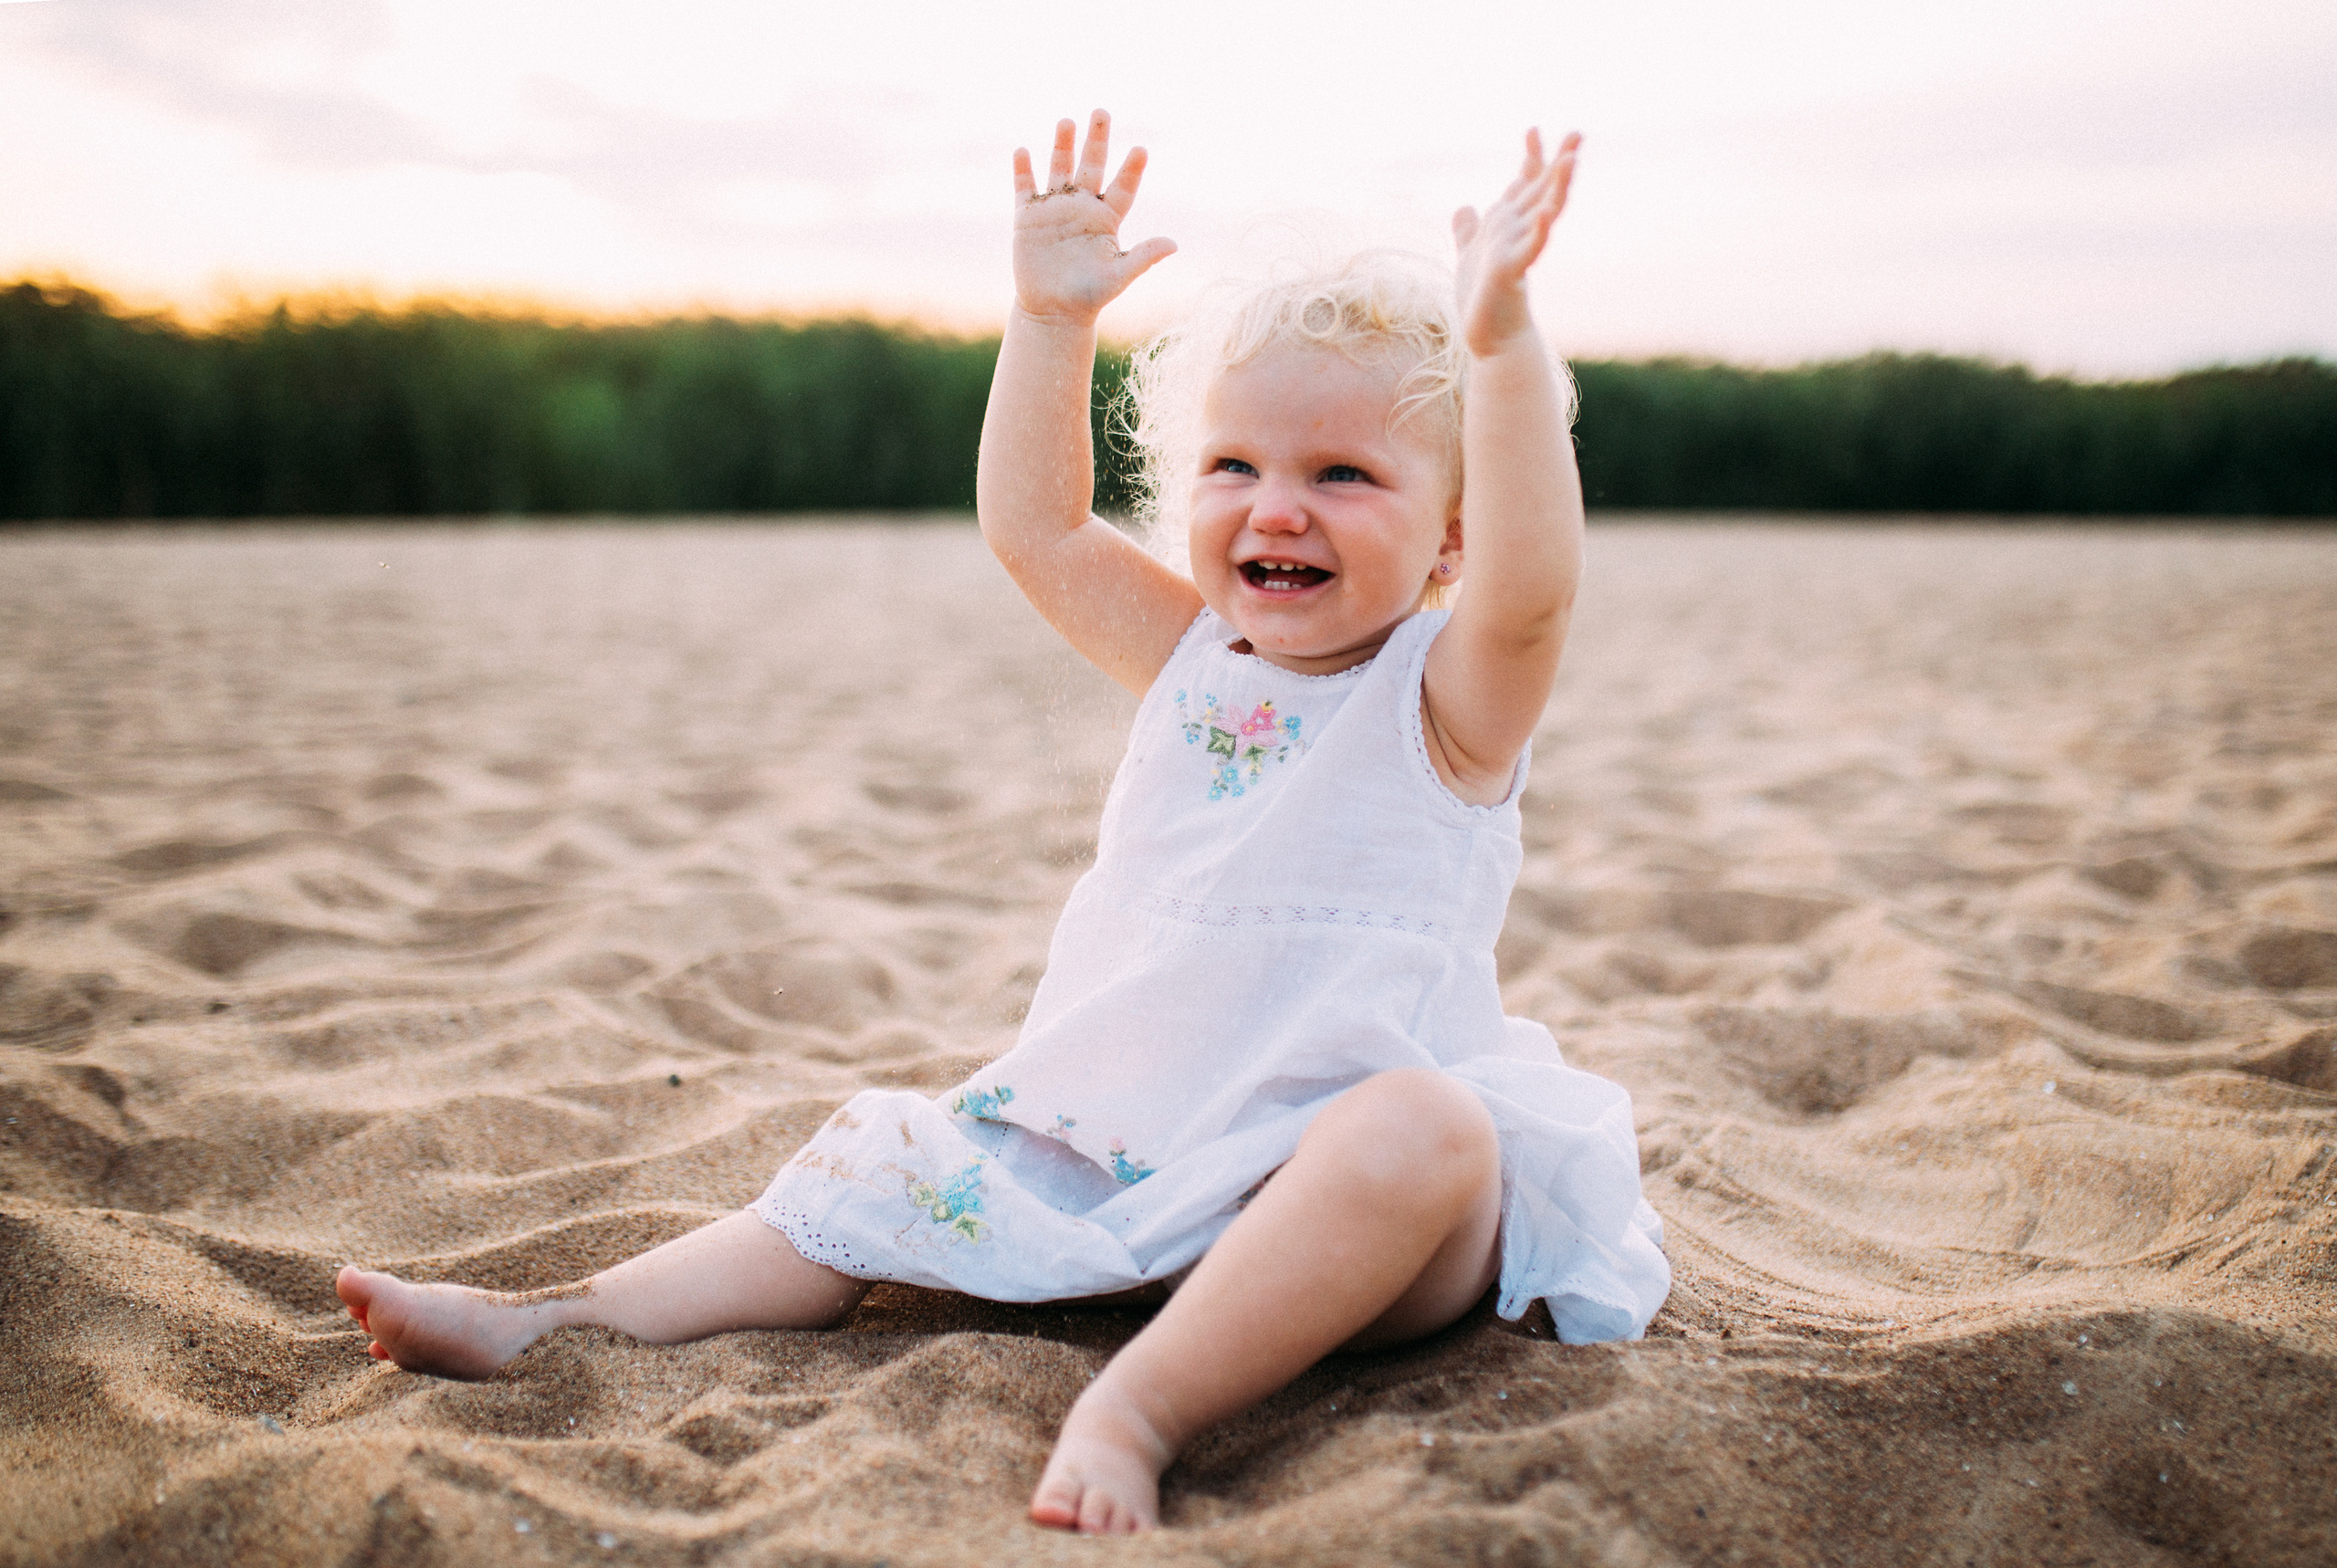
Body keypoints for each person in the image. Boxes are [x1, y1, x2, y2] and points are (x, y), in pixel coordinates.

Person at [334, 109, 1669, 1535]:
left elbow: (1534, 594)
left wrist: (1500, 345)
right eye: (1235, 466)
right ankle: (557, 1318)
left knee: (1433, 1130)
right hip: (1122, 1153)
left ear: (1452, 535)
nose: (1277, 507)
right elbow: (1038, 526)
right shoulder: (1190, 656)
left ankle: (1136, 1406)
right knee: (883, 1166)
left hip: (1334, 1207)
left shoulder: (1447, 700)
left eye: (1343, 474)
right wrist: (1049, 321)